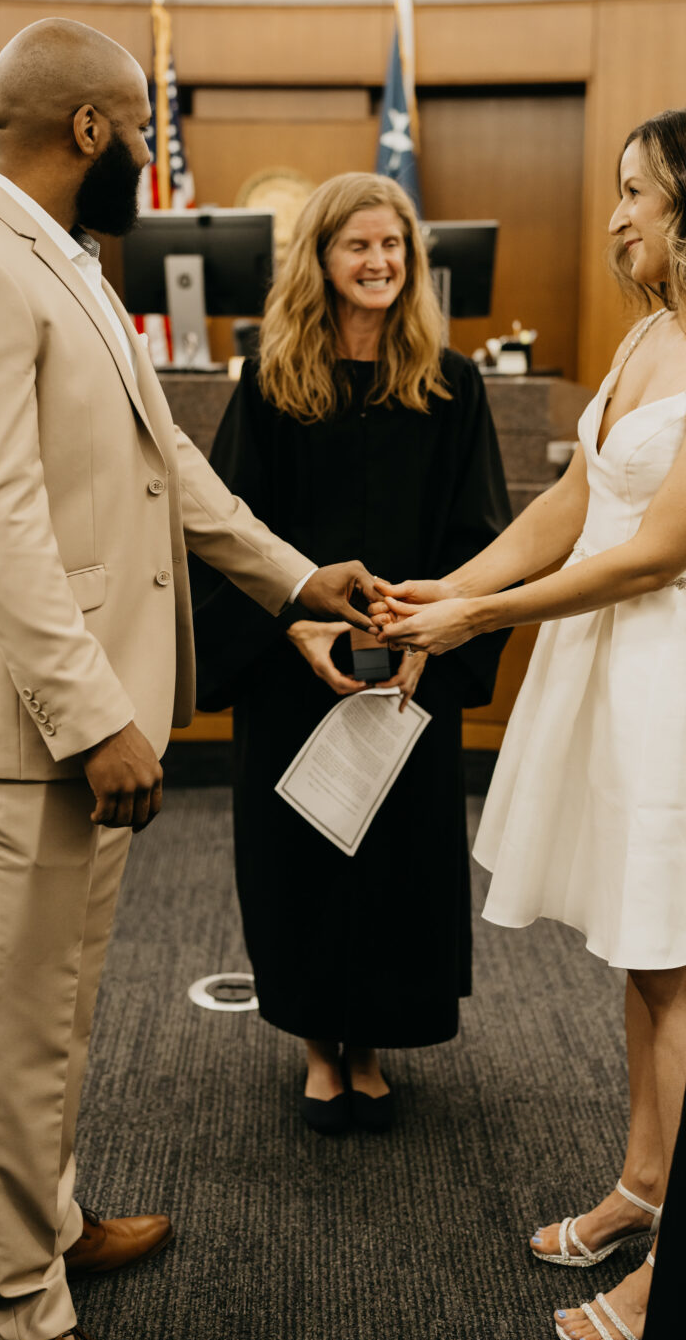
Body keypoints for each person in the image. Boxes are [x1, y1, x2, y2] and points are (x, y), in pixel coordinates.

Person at [0, 18, 379, 1340]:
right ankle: (14, 1319)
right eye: (146, 127)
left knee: (64, 1008)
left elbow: (167, 473)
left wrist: (294, 583)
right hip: (11, 723)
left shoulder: (74, 269)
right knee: (12, 1016)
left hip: (78, 719)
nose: (159, 157)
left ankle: (43, 1228)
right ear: (90, 130)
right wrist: (96, 713)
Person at [373, 103, 686, 1340]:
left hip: (680, 673)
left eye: (636, 191)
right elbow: (573, 503)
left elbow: (651, 553)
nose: (615, 214)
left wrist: (485, 620)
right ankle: (641, 1179)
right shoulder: (647, 342)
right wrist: (451, 589)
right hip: (609, 668)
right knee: (639, 952)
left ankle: (682, 1257)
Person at [189, 172, 512, 1135]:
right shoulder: (271, 380)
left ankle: (369, 1043)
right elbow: (229, 529)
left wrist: (433, 632)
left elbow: (480, 529)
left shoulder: (451, 385)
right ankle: (317, 1046)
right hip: (296, 667)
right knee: (304, 855)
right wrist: (293, 624)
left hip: (411, 668)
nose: (378, 263)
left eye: (393, 247)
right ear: (320, 262)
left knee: (396, 858)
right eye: (356, 246)